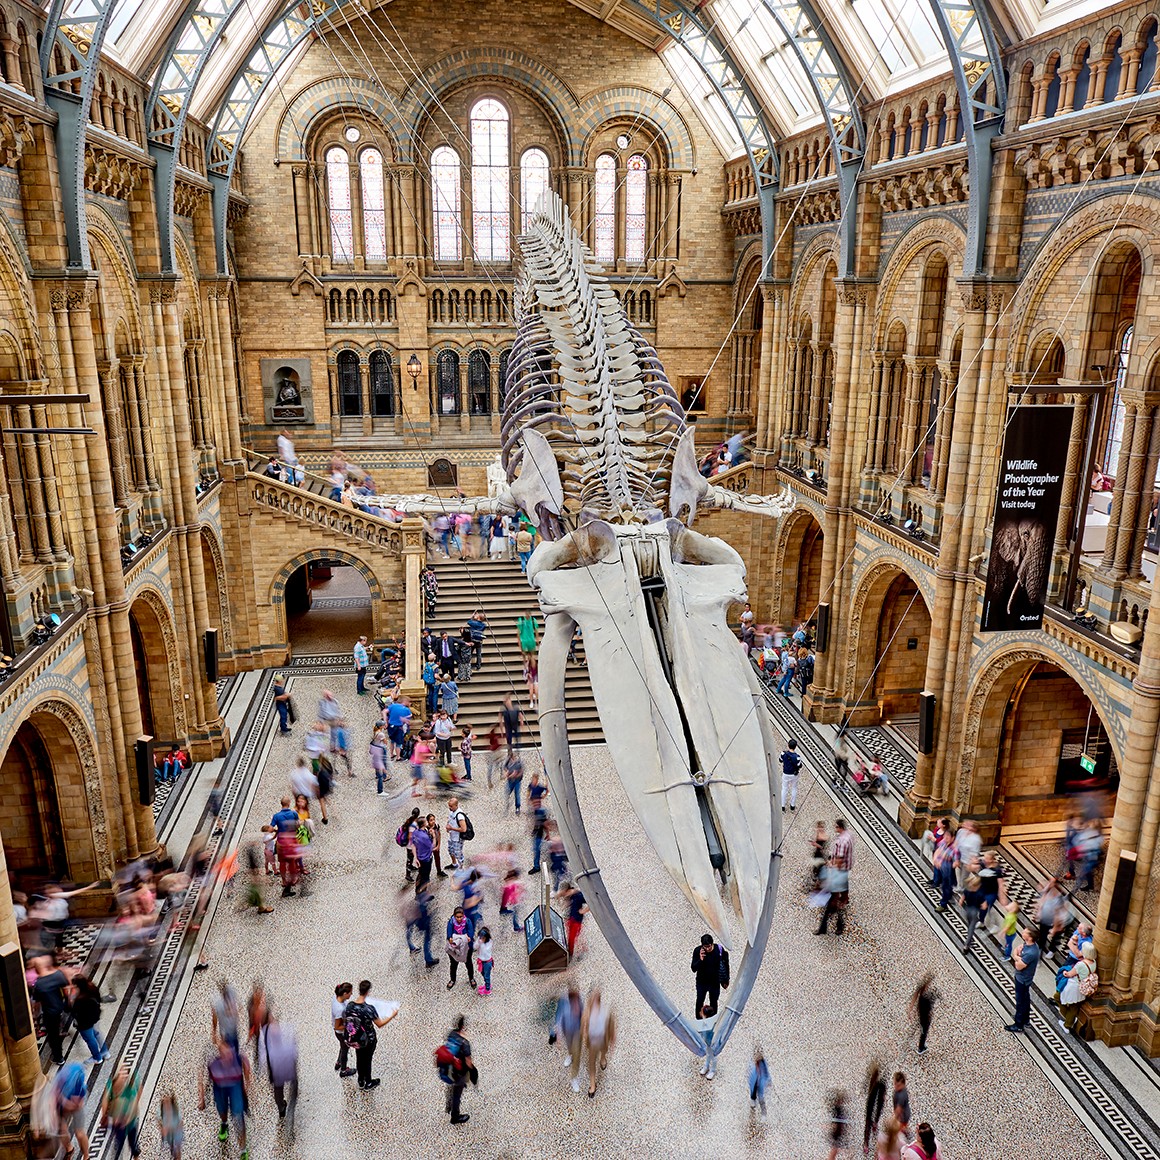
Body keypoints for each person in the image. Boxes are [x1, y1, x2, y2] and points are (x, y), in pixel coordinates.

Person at [342, 979, 398, 1090]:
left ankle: (360, 1080)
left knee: (359, 1057)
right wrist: (392, 1015)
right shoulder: (369, 1009)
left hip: (356, 1037)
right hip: (368, 1039)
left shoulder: (350, 1006)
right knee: (367, 1059)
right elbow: (380, 1024)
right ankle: (368, 1081)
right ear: (368, 991)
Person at [199, 1039, 249, 1157]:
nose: (228, 1058)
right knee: (221, 1109)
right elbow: (203, 1078)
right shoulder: (213, 1064)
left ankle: (243, 1150)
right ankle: (224, 1123)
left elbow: (246, 1066)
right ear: (220, 1055)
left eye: (229, 1054)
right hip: (220, 1087)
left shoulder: (237, 1059)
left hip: (234, 1087)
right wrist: (202, 1098)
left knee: (238, 1117)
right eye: (225, 1055)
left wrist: (247, 1086)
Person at [30, 955, 74, 1064]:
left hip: (49, 1012)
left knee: (53, 1035)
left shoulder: (39, 984)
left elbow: (37, 1004)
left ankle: (58, 1057)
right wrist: (68, 1002)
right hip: (60, 1006)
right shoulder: (58, 975)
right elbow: (66, 989)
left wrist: (35, 1015)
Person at [816, 818, 854, 935]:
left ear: (839, 827)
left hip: (838, 873)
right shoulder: (849, 835)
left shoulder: (842, 841)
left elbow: (839, 859)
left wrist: (830, 868)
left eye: (836, 827)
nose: (834, 828)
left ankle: (832, 926)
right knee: (835, 899)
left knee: (833, 900)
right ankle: (828, 926)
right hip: (843, 872)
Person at [259, 1013, 299, 1124]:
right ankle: (291, 1104)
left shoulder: (264, 1034)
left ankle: (281, 1107)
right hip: (287, 1062)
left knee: (278, 1088)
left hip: (275, 1066)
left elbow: (262, 1055)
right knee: (293, 1083)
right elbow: (293, 1042)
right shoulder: (284, 1027)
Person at [101, 1064, 141, 1160]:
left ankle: (135, 1154)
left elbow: (134, 1103)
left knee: (132, 1141)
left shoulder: (130, 1088)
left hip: (130, 1121)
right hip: (117, 1123)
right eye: (121, 1072)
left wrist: (127, 1118)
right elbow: (105, 1101)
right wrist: (106, 1116)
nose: (123, 1075)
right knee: (119, 1141)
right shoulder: (110, 1085)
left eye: (125, 1073)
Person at [441, 1015, 475, 1124]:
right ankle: (455, 1117)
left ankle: (448, 1105)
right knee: (457, 1094)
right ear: (463, 1027)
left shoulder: (451, 1033)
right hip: (459, 1072)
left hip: (449, 1067)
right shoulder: (465, 1043)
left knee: (452, 1086)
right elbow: (468, 1062)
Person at [581, 989, 615, 1098]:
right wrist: (585, 1035)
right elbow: (583, 1027)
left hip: (603, 1040)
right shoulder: (587, 1013)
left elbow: (611, 1028)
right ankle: (592, 1084)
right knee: (591, 1063)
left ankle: (603, 1058)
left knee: (604, 1051)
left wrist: (613, 1040)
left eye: (596, 1000)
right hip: (592, 1043)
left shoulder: (605, 1012)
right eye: (592, 1000)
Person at [53, 1062, 90, 1160]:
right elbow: (55, 1097)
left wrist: (66, 1103)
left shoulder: (79, 1087)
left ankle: (86, 1156)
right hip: (62, 1104)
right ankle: (69, 1149)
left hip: (74, 1105)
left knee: (79, 1133)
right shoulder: (60, 1082)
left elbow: (77, 1105)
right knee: (61, 1130)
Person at [1006, 925, 1040, 1033]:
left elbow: (1018, 965)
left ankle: (1019, 1024)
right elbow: (1017, 949)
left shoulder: (1031, 952)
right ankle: (1025, 1019)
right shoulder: (1028, 945)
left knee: (1021, 1001)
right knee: (1025, 999)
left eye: (1025, 932)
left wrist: (1016, 956)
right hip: (1023, 978)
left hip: (1023, 979)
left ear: (1029, 937)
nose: (1022, 932)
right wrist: (1018, 956)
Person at [1058, 942, 1097, 1032]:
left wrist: (1065, 972)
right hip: (1083, 987)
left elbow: (1070, 974)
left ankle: (1068, 1022)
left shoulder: (1081, 964)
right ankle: (1070, 1020)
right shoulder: (1094, 962)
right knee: (1074, 1005)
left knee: (1059, 998)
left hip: (1074, 986)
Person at [551, 987, 585, 1092]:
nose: (576, 1004)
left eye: (577, 1001)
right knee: (571, 1049)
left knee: (577, 1055)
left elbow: (584, 1018)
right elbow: (559, 1020)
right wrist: (559, 1037)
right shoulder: (564, 1006)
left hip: (577, 1033)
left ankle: (574, 1078)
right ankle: (570, 1055)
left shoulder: (580, 1005)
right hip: (568, 1033)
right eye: (574, 1002)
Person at [72, 972, 110, 1063]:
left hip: (85, 1022)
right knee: (97, 1033)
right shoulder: (92, 987)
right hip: (95, 1016)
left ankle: (97, 1058)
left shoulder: (80, 999)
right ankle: (105, 1051)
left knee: (90, 1039)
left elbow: (73, 1010)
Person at [691, 933, 729, 1019]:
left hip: (714, 982)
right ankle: (699, 1020)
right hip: (702, 982)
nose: (707, 949)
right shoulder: (698, 951)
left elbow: (725, 964)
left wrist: (726, 979)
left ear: (712, 944)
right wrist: (700, 960)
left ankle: (713, 1019)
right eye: (705, 947)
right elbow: (693, 968)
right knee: (700, 1001)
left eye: (709, 946)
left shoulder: (719, 950)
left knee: (714, 1002)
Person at [446, 907, 476, 990]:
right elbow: (449, 932)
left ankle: (471, 978)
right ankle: (452, 979)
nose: (459, 919)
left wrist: (469, 937)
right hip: (455, 947)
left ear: (463, 916)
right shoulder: (451, 922)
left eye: (460, 917)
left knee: (468, 963)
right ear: (454, 916)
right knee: (453, 964)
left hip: (466, 947)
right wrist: (450, 938)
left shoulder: (467, 921)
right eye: (457, 917)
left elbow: (471, 932)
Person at [910, 973, 938, 1054]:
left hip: (924, 1015)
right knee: (924, 1032)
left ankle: (922, 1046)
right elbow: (925, 1009)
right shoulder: (923, 998)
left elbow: (914, 1000)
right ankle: (920, 1048)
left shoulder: (921, 994)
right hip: (924, 1017)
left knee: (924, 1031)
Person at [332, 982, 356, 1077]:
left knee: (342, 1046)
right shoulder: (339, 1009)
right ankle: (343, 1070)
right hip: (341, 1032)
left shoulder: (336, 998)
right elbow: (337, 1026)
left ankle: (339, 1062)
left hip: (340, 1031)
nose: (351, 994)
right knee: (345, 1049)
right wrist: (350, 1027)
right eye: (350, 992)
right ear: (345, 993)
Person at [862, 1061, 886, 1153]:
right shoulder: (871, 1083)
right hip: (871, 1104)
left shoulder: (880, 1082)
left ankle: (874, 1124)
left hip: (876, 1103)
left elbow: (882, 1094)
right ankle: (866, 1143)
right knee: (868, 1122)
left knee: (874, 1117)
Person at [563, 882, 588, 956]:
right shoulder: (572, 895)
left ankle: (572, 952)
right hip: (572, 917)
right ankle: (571, 948)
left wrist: (583, 911)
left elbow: (591, 902)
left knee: (573, 937)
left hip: (577, 919)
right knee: (570, 934)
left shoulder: (579, 896)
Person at [158, 1092, 183, 1160]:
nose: (166, 1104)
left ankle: (178, 1157)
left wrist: (176, 1128)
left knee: (178, 1148)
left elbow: (180, 1121)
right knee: (171, 1145)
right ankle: (174, 1153)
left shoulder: (176, 1110)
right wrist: (163, 1129)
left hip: (176, 1132)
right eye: (165, 1102)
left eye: (168, 1102)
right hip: (169, 1134)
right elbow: (159, 1122)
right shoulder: (161, 1111)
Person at [748, 1046, 771, 1120]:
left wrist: (768, 1081)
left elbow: (767, 1073)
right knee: (753, 1093)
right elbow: (748, 1071)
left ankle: (764, 1113)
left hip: (761, 1082)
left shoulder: (763, 1064)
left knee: (761, 1099)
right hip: (754, 1082)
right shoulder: (751, 1063)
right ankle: (753, 1100)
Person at [780, 739, 802, 812]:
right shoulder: (797, 757)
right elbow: (799, 765)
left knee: (784, 789)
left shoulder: (783, 754)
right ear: (795, 747)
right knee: (794, 788)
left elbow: (780, 760)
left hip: (785, 773)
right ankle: (792, 806)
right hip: (794, 775)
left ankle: (782, 806)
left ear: (788, 745)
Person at [474, 926, 494, 995]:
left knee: (486, 975)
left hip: (487, 962)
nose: (481, 939)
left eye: (483, 938)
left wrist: (480, 943)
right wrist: (478, 942)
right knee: (483, 973)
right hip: (482, 961)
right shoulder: (480, 941)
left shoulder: (488, 943)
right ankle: (486, 985)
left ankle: (488, 989)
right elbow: (475, 947)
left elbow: (483, 950)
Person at [891, 1072, 910, 1141]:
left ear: (903, 1084)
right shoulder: (901, 1090)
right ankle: (905, 1130)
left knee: (900, 1126)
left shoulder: (901, 1095)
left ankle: (902, 1135)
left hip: (903, 1115)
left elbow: (899, 1109)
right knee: (903, 1125)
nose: (895, 1086)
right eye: (895, 1083)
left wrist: (894, 1119)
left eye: (898, 1085)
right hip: (906, 1112)